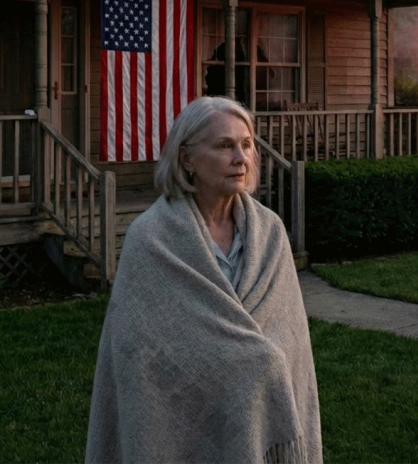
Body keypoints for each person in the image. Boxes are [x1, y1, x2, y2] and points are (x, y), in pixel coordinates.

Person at [86, 96, 322, 464]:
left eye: (246, 144)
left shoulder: (271, 232)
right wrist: (243, 362)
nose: (241, 158)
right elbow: (139, 355)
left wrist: (252, 366)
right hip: (179, 420)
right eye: (224, 145)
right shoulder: (150, 238)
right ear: (187, 160)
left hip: (262, 419)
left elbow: (289, 339)